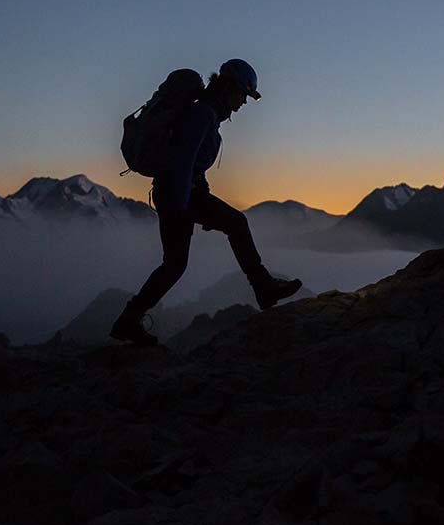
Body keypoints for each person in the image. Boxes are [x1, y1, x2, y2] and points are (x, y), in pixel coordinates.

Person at [110, 58, 302, 345]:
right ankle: (264, 288)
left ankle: (128, 320)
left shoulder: (207, 112)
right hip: (179, 194)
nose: (243, 103)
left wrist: (194, 200)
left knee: (175, 264)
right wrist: (182, 207)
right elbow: (184, 160)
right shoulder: (203, 114)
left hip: (179, 193)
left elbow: (190, 161)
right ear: (229, 88)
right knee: (235, 224)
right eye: (243, 95)